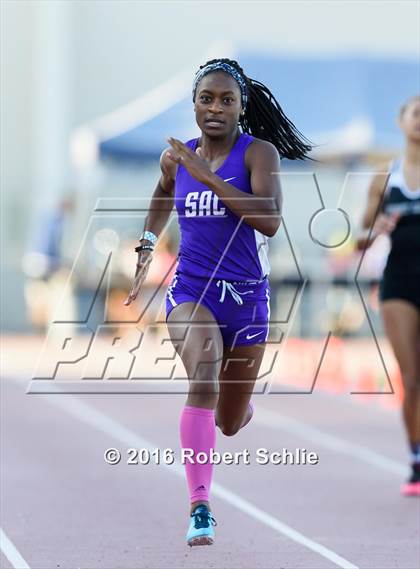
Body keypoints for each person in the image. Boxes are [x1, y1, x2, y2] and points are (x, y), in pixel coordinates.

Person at [125, 58, 312, 545]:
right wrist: (148, 242)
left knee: (228, 422)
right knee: (204, 370)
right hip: (191, 291)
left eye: (227, 100)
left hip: (247, 300)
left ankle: (238, 407)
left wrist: (205, 177)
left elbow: (269, 219)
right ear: (193, 104)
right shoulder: (177, 156)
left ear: (240, 107)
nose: (215, 108)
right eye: (206, 98)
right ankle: (200, 506)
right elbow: (164, 191)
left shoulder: (258, 155)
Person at [357, 95, 420, 497]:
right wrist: (379, 224)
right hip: (399, 283)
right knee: (411, 377)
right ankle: (416, 460)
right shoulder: (386, 175)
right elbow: (361, 236)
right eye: (416, 114)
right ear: (401, 121)